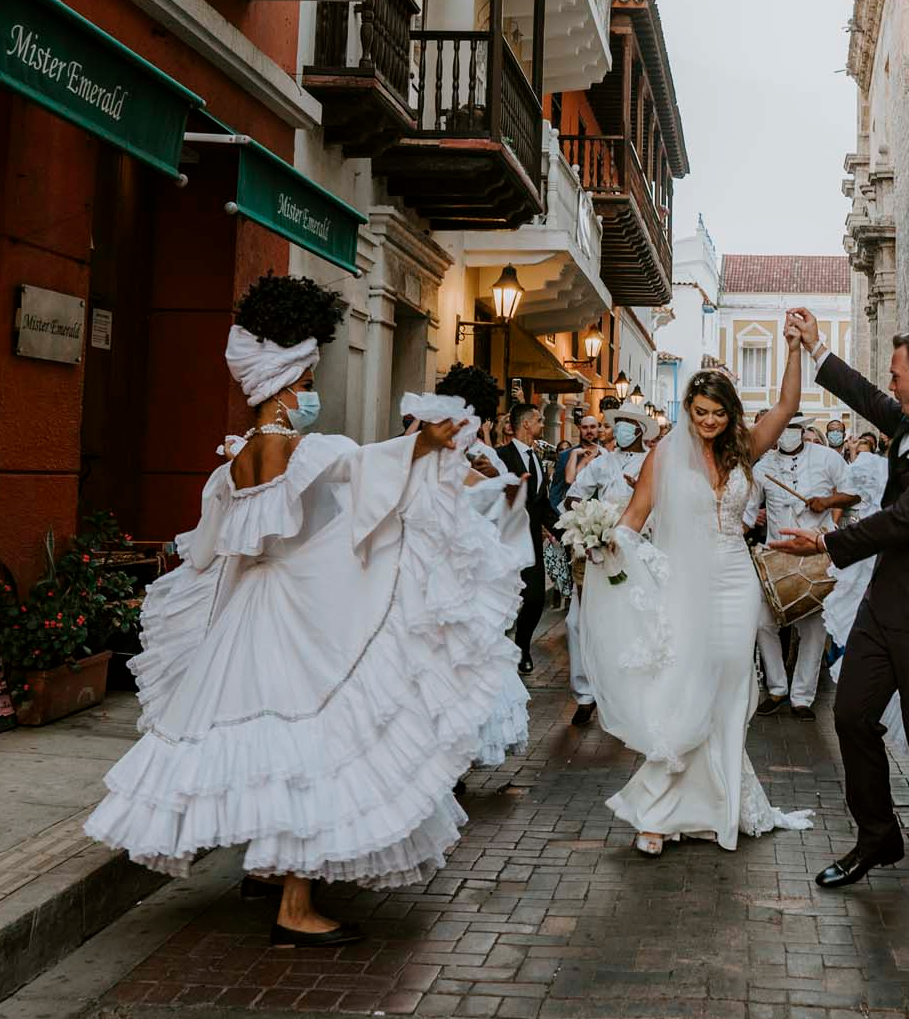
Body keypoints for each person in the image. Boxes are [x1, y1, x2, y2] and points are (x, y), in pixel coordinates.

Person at [85, 276, 526, 946]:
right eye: (313, 373)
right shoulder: (308, 449)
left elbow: (207, 552)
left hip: (247, 621)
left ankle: (265, 870)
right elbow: (376, 477)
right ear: (293, 380)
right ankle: (294, 905)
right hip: (303, 624)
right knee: (314, 748)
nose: (313, 389)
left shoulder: (228, 466)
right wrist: (427, 443)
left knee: (261, 746)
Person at [768, 313, 909, 914]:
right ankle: (878, 838)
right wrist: (816, 346)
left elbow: (904, 520)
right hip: (885, 607)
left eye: (899, 375)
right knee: (849, 716)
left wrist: (822, 544)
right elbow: (868, 398)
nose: (891, 385)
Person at [577, 358, 815, 857]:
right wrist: (604, 541)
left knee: (729, 689)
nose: (709, 422)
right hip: (684, 583)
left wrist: (794, 348)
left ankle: (718, 804)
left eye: (719, 414)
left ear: (732, 415)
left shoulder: (744, 451)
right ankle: (659, 811)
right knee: (687, 689)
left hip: (735, 580)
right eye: (701, 412)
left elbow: (789, 405)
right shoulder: (664, 455)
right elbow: (635, 515)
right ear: (687, 409)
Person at [560, 400, 656, 726]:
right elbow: (573, 495)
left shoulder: (653, 462)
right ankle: (584, 693)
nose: (621, 429)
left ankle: (629, 694)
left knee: (633, 621)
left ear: (641, 429)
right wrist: (589, 523)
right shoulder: (602, 462)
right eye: (619, 423)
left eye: (628, 423)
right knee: (578, 621)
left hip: (640, 551)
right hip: (600, 550)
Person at [746, 416, 849, 718]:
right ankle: (777, 688)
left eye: (792, 429)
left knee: (814, 631)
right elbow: (749, 512)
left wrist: (828, 501)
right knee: (762, 622)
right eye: (781, 429)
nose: (787, 435)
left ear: (802, 431)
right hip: (776, 556)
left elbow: (854, 491)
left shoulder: (828, 458)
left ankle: (801, 697)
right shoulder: (763, 468)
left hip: (816, 556)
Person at [495, 400, 558, 676]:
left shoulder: (538, 459)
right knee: (500, 599)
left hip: (531, 541)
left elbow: (542, 504)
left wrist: (567, 532)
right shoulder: (500, 456)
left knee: (534, 600)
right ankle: (495, 651)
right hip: (504, 541)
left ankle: (522, 648)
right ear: (526, 424)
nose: (543, 424)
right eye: (540, 420)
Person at [819, 431, 889, 660]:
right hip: (852, 540)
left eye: (864, 454)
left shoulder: (882, 481)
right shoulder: (850, 473)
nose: (860, 460)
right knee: (848, 596)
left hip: (871, 543)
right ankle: (841, 652)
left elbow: (852, 497)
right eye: (856, 454)